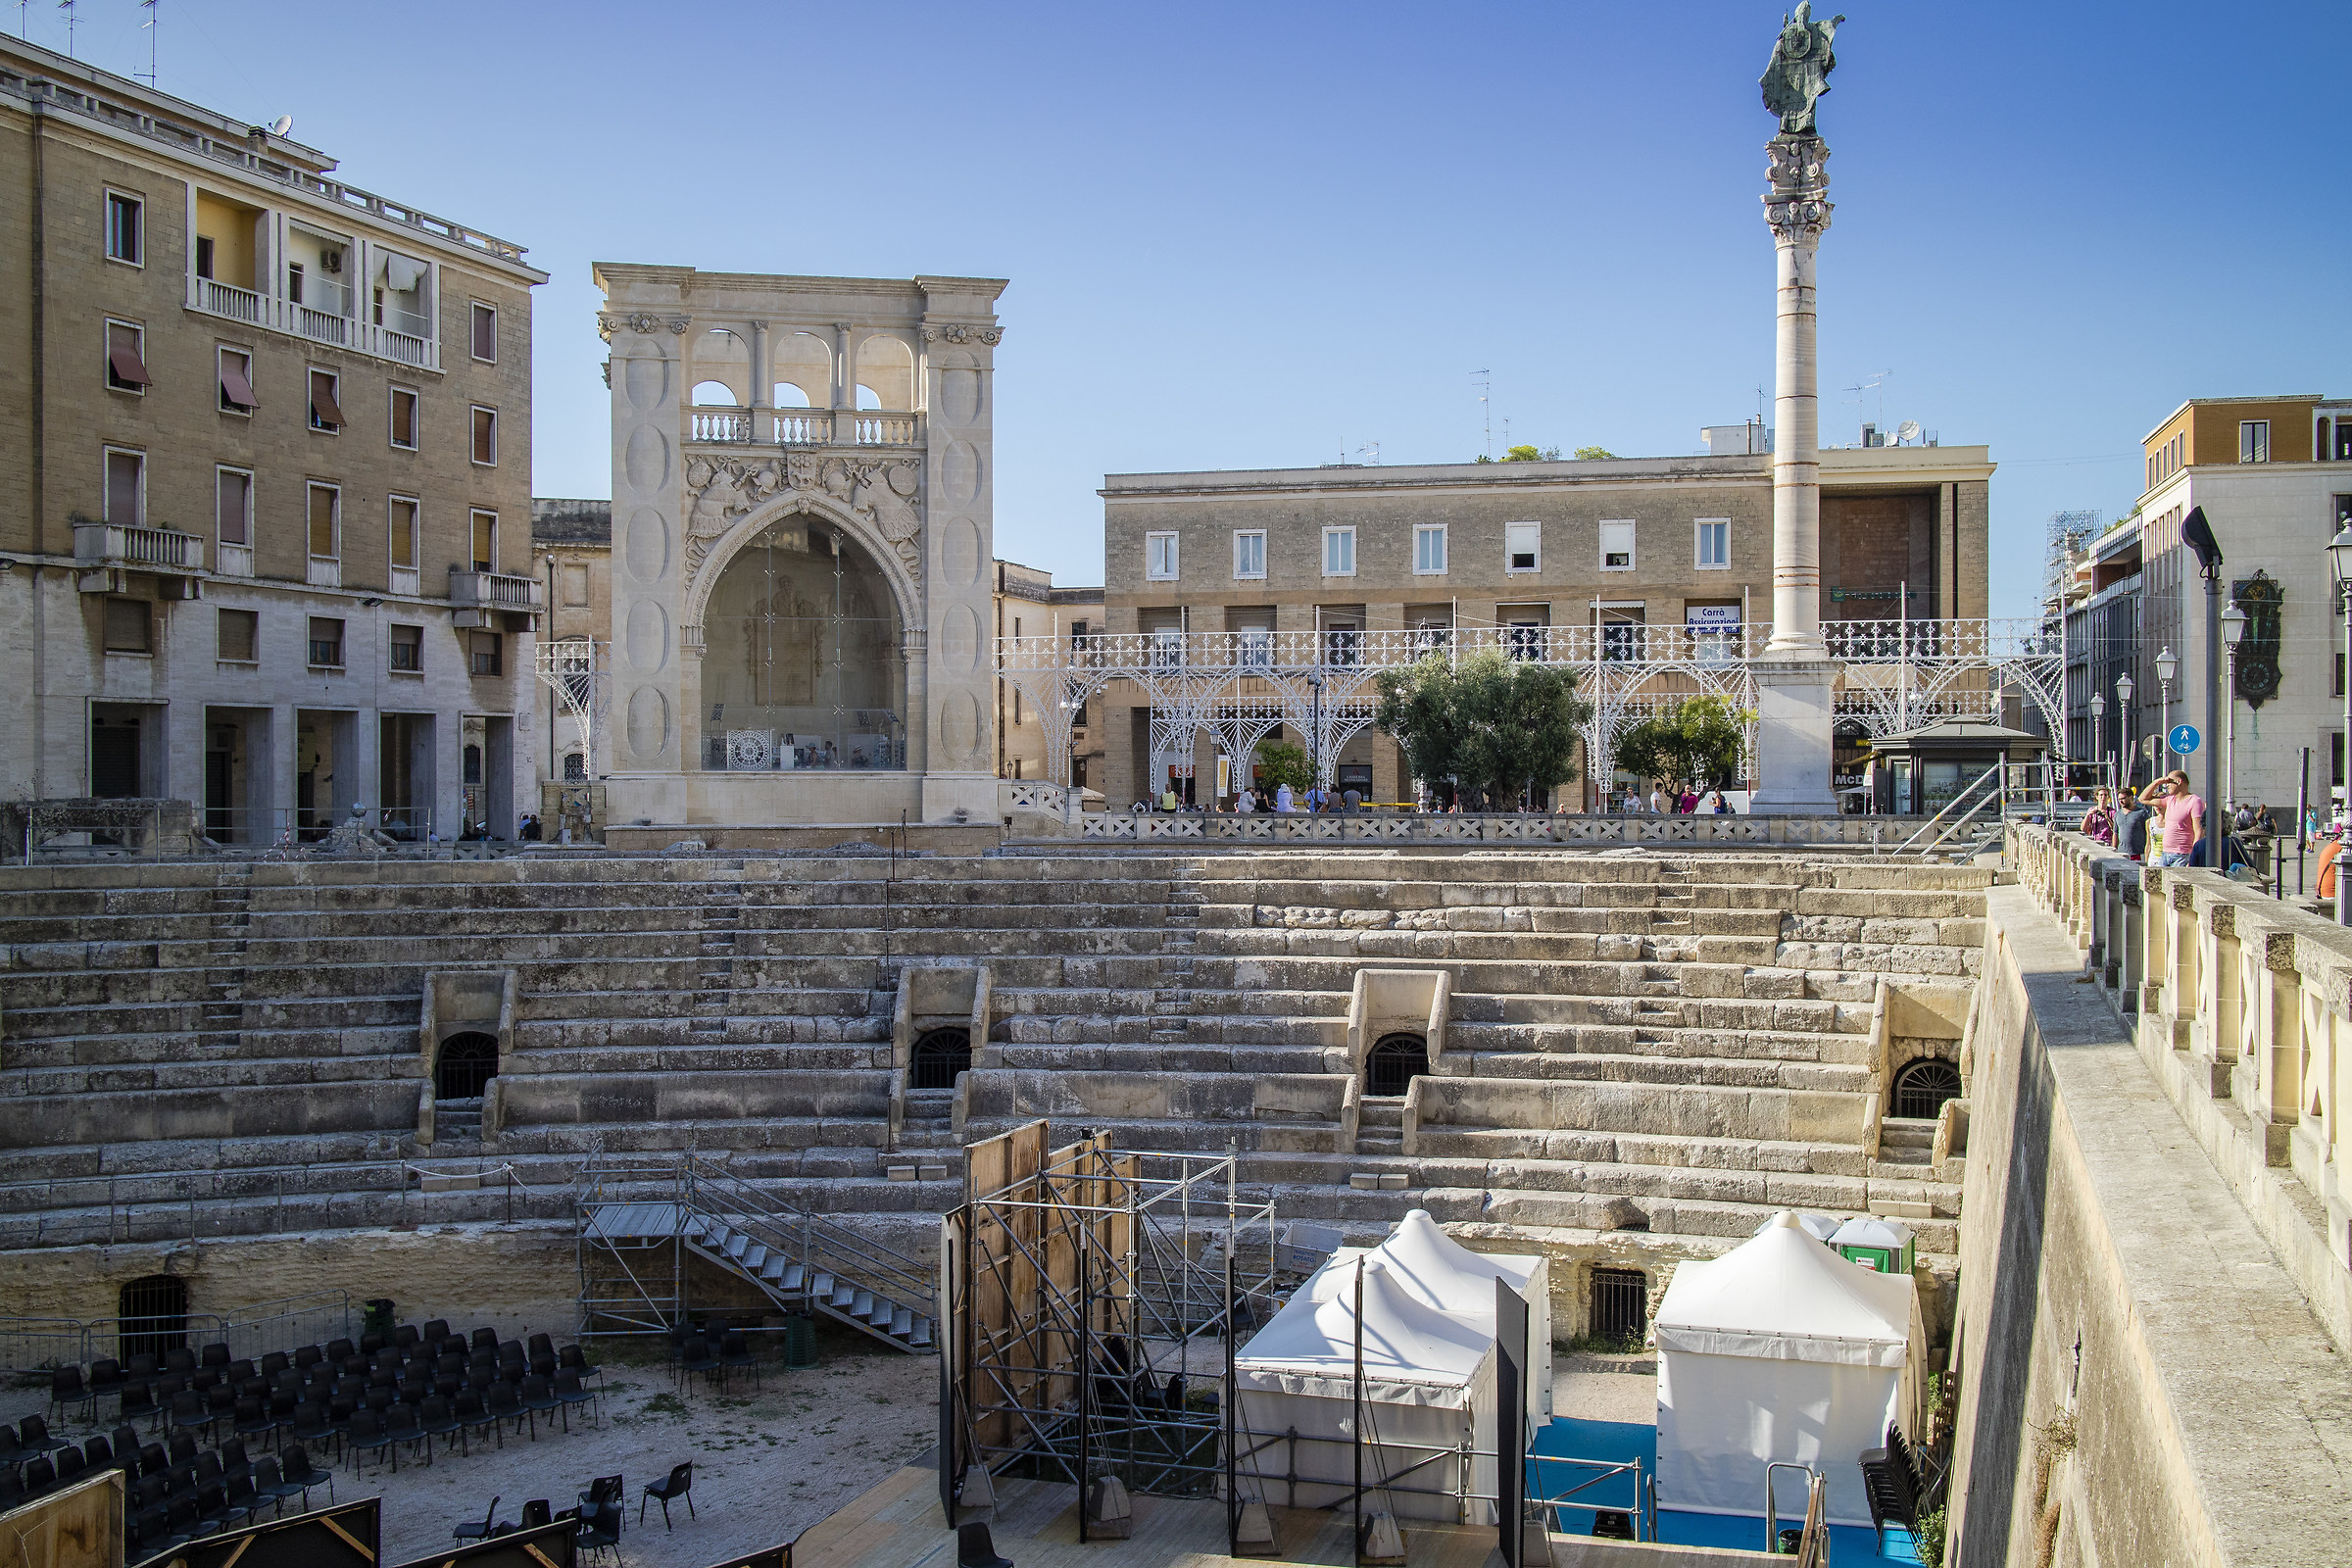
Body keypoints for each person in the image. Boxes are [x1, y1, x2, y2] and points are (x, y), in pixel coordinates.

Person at [2155, 770, 2203, 867]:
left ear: (2179, 781)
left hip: (2182, 855)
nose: (2166, 785)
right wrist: (2157, 782)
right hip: (2165, 853)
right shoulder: (2170, 799)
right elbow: (2143, 799)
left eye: (2169, 782)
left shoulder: (2194, 801)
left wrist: (2193, 857)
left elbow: (2199, 831)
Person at [2117, 787, 2155, 861]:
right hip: (2121, 853)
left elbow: (2148, 833)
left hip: (2138, 853)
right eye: (2119, 799)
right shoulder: (2117, 814)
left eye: (2123, 798)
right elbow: (2115, 833)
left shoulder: (2141, 813)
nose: (2121, 801)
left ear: (2131, 797)